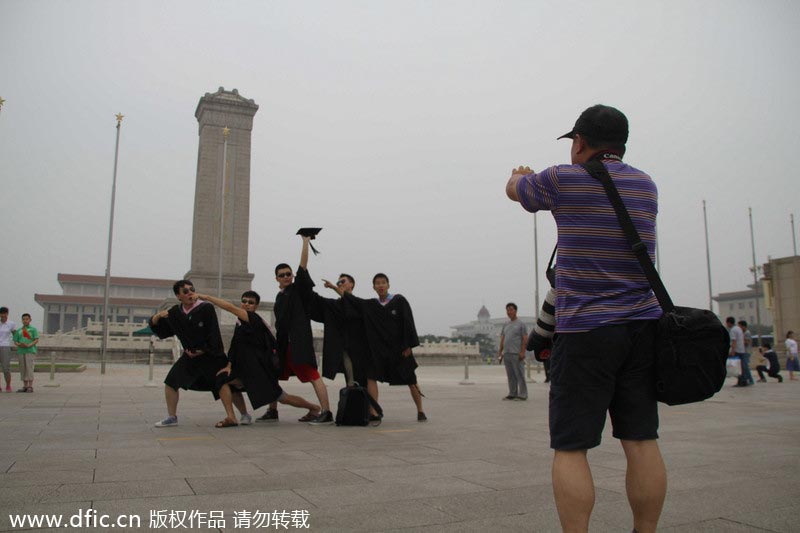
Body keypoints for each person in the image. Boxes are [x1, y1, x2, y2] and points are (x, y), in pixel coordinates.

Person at [506, 104, 666, 532]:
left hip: (585, 331)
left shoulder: (563, 179)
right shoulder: (645, 185)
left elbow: (516, 191)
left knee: (572, 446)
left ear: (579, 142)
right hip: (641, 328)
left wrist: (521, 172)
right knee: (641, 440)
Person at [196, 291, 321, 427]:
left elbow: (230, 308)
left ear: (256, 306)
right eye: (244, 301)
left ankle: (313, 408)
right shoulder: (240, 323)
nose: (246, 304)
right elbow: (236, 346)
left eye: (251, 303)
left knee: (282, 397)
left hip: (259, 371)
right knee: (223, 380)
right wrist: (229, 365)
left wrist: (206, 297)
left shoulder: (252, 318)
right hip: (245, 369)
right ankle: (236, 416)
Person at [259, 235, 333, 425]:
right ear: (276, 278)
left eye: (288, 274)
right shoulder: (280, 296)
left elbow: (303, 266)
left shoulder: (298, 290)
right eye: (282, 275)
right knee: (272, 374)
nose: (286, 277)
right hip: (283, 343)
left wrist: (305, 242)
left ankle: (326, 411)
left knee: (313, 376)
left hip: (298, 341)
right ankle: (272, 410)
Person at [148, 280, 230, 427]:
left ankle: (233, 416)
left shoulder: (206, 308)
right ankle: (172, 417)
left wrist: (204, 350)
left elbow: (213, 333)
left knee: (222, 382)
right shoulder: (175, 313)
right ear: (178, 296)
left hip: (210, 355)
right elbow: (161, 330)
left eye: (191, 289)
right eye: (185, 291)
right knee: (171, 382)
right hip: (190, 356)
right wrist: (158, 316)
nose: (190, 292)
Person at [307, 273, 381, 421]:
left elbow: (353, 303)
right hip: (347, 351)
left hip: (364, 350)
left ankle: (373, 411)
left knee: (369, 380)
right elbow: (316, 301)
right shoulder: (335, 306)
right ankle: (355, 411)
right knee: (351, 380)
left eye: (343, 281)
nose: (340, 283)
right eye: (338, 282)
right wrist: (304, 282)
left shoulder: (362, 304)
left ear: (351, 284)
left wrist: (334, 288)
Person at [360, 273, 426, 421]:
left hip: (400, 349)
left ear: (388, 285)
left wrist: (409, 345)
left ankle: (420, 410)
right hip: (380, 350)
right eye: (377, 283)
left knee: (411, 380)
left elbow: (408, 322)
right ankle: (374, 412)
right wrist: (336, 289)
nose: (381, 285)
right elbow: (353, 301)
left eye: (383, 282)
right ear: (373, 287)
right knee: (371, 377)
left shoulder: (399, 300)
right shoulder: (371, 305)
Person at [497, 303, 528, 400]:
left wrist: (522, 352)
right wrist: (500, 352)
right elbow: (503, 338)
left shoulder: (521, 324)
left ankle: (523, 394)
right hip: (507, 353)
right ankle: (512, 393)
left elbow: (525, 338)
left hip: (516, 353)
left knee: (519, 374)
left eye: (511, 309)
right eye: (507, 310)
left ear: (515, 311)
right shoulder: (506, 324)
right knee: (510, 375)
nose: (509, 312)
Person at [13, 313, 38, 393]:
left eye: (27, 319)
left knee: (29, 368)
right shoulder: (19, 330)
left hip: (30, 351)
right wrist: (19, 344)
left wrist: (29, 345)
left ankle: (30, 386)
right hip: (21, 351)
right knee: (23, 368)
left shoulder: (33, 329)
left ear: (30, 320)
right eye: (23, 319)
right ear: (22, 320)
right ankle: (25, 386)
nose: (25, 321)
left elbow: (36, 339)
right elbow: (15, 341)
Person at [726, 317, 751, 387]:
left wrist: (732, 351)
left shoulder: (733, 330)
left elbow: (734, 341)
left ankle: (741, 381)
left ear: (729, 323)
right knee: (741, 367)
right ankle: (743, 381)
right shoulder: (738, 328)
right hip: (742, 350)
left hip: (737, 350)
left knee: (737, 367)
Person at [0, 307, 16, 392]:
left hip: (5, 346)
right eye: (1, 313)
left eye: (4, 313)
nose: (3, 315)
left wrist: (18, 342)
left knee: (6, 368)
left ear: (7, 314)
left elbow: (15, 334)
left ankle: (8, 385)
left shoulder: (11, 323)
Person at [737, 320, 755, 386]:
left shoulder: (747, 333)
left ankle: (750, 380)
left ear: (743, 326)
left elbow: (747, 343)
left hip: (746, 352)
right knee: (743, 367)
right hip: (743, 351)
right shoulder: (742, 333)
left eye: (740, 326)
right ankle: (745, 380)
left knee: (745, 366)